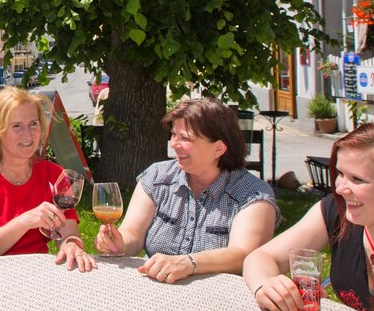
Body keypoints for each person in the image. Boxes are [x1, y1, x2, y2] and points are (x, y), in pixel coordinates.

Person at [94, 98, 279, 283]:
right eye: (174, 134)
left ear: (219, 148)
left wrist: (189, 263)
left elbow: (244, 254)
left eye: (185, 138)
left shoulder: (252, 195)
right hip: (155, 290)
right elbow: (133, 233)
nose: (174, 144)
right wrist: (119, 244)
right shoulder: (157, 177)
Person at [0, 86, 97, 272]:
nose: (28, 135)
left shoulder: (55, 175)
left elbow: (69, 233)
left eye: (33, 124)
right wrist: (25, 221)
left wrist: (71, 244)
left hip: (38, 273)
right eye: (17, 126)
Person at [243, 122, 374, 311]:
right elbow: (261, 257)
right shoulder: (337, 211)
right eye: (340, 173)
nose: (340, 188)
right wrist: (267, 287)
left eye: (357, 179)